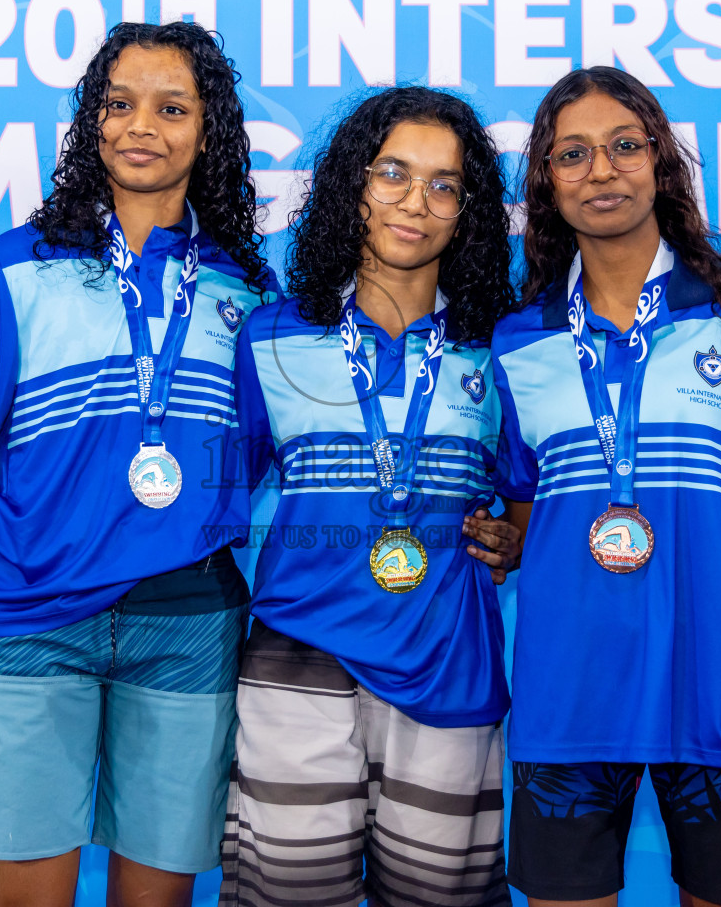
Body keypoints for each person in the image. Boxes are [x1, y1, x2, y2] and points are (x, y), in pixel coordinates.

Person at [0, 21, 274, 907]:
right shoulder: (13, 268)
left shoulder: (245, 293)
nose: (140, 125)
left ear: (208, 130)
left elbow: (261, 463)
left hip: (190, 627)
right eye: (118, 104)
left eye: (172, 107)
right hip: (30, 628)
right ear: (91, 122)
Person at [492, 66, 721, 907]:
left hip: (716, 688)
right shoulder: (518, 340)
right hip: (568, 698)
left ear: (661, 163)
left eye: (624, 147)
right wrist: (498, 538)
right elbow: (528, 518)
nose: (602, 170)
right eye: (574, 155)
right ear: (547, 183)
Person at [216, 87, 521, 907]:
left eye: (443, 185)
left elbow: (547, 497)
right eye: (393, 173)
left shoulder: (504, 353)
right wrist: (25, 515)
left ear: (469, 213)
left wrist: (518, 533)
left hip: (446, 667)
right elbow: (210, 494)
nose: (415, 202)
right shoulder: (271, 336)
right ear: (353, 184)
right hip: (295, 664)